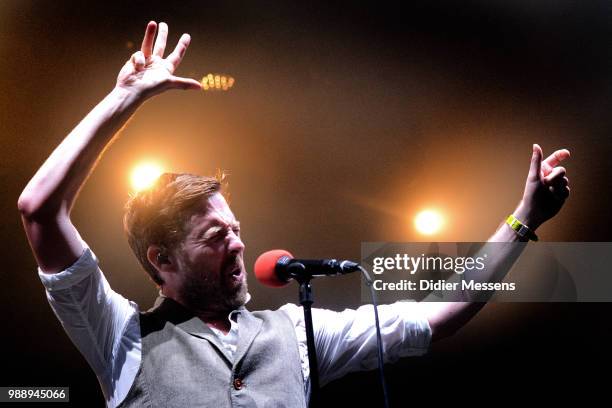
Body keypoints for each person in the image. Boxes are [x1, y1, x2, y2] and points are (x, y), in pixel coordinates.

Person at [18, 22, 571, 407]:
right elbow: (39, 209)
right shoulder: (120, 336)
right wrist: (125, 98)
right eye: (215, 236)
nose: (238, 245)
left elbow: (443, 312)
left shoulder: (297, 334)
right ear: (161, 259)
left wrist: (524, 219)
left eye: (235, 229)